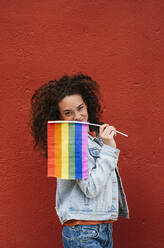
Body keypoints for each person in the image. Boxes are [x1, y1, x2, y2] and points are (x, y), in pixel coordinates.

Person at [30, 73, 129, 248]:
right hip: (83, 233)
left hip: (102, 228)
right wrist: (109, 149)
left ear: (87, 105)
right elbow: (90, 189)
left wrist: (104, 145)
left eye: (80, 108)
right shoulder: (66, 142)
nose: (78, 116)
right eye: (68, 113)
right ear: (59, 116)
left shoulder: (91, 139)